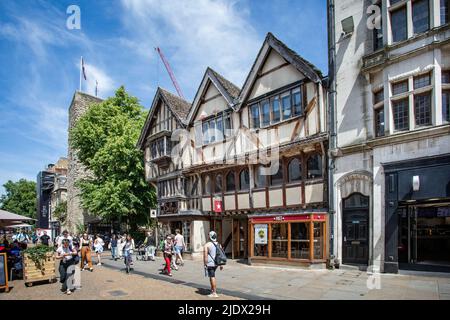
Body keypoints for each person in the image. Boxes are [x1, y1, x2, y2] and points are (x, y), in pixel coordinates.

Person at [203, 231, 224, 298]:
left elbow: (205, 256)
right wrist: (221, 264)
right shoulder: (219, 244)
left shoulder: (207, 245)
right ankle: (212, 290)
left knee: (212, 276)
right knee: (211, 276)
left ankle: (214, 293)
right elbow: (221, 255)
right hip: (217, 263)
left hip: (210, 263)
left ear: (210, 237)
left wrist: (205, 264)